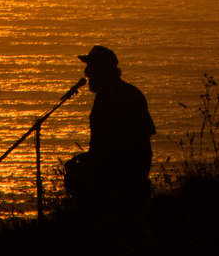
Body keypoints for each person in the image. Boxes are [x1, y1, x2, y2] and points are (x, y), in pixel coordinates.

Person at [64, 46, 156, 204]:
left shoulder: (119, 96)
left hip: (122, 171)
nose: (86, 72)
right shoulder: (114, 94)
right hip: (120, 167)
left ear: (102, 69)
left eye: (90, 67)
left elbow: (119, 146)